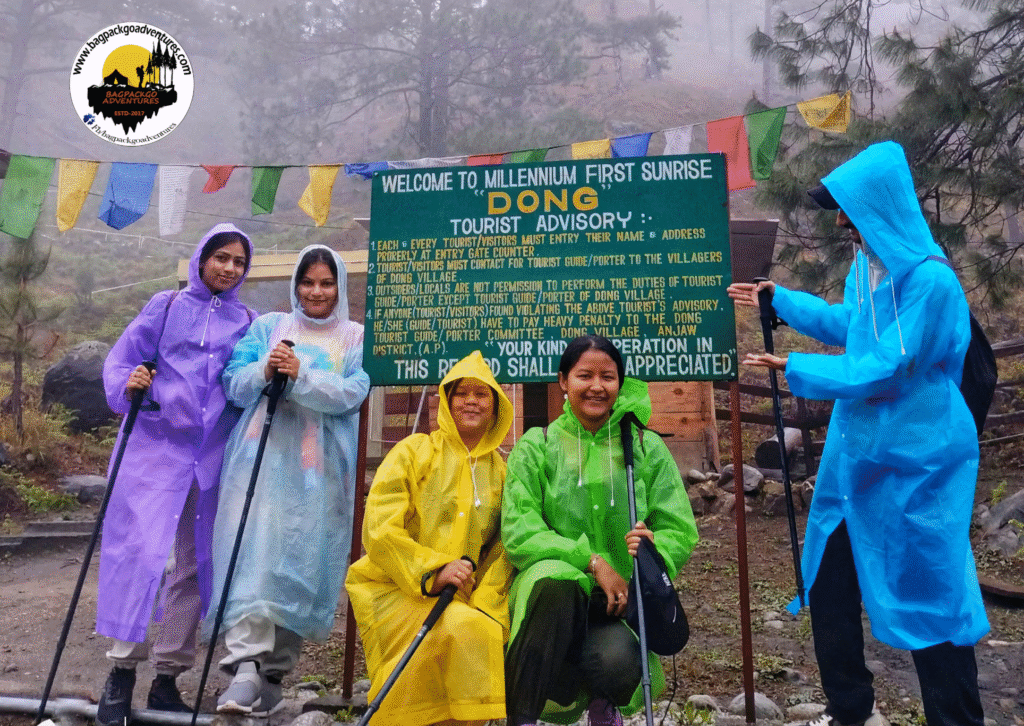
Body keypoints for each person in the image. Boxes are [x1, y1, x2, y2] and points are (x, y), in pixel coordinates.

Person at [727, 141, 988, 726]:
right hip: (858, 457)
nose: (842, 222)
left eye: (849, 209)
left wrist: (795, 368)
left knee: (932, 600)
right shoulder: (867, 269)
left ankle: (958, 719)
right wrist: (783, 301)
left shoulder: (933, 283)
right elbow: (856, 329)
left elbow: (890, 364)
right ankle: (851, 711)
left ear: (881, 207)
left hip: (917, 465)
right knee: (830, 583)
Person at [96, 223, 255, 726]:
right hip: (153, 448)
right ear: (201, 258)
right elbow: (120, 363)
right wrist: (132, 382)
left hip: (210, 456)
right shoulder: (164, 306)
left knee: (193, 563)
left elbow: (242, 380)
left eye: (238, 262)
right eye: (220, 257)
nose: (228, 268)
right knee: (142, 551)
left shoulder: (247, 320)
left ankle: (168, 677)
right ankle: (121, 673)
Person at [502, 335, 698, 726]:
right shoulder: (537, 446)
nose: (596, 386)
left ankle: (602, 704)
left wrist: (654, 550)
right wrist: (590, 562)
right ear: (563, 381)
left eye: (607, 377)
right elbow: (519, 530)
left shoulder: (644, 446)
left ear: (620, 384)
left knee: (618, 661)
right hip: (550, 595)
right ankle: (519, 715)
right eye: (584, 375)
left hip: (615, 604)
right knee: (556, 588)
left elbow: (678, 526)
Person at [207, 244, 369, 716]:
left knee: (303, 562)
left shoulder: (356, 337)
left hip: (320, 473)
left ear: (339, 286)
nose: (315, 292)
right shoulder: (269, 327)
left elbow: (354, 392)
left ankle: (275, 673)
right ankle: (244, 668)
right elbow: (233, 381)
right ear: (295, 285)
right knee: (252, 555)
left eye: (325, 282)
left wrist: (302, 376)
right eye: (307, 282)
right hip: (259, 461)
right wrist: (265, 368)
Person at [346, 351, 514, 726]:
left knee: (478, 626)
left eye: (481, 394)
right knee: (461, 630)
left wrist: (483, 598)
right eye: (462, 393)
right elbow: (379, 527)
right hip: (395, 586)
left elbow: (505, 546)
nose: (471, 400)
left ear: (496, 405)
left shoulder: (503, 472)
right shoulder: (412, 451)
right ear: (447, 400)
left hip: (464, 595)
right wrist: (433, 571)